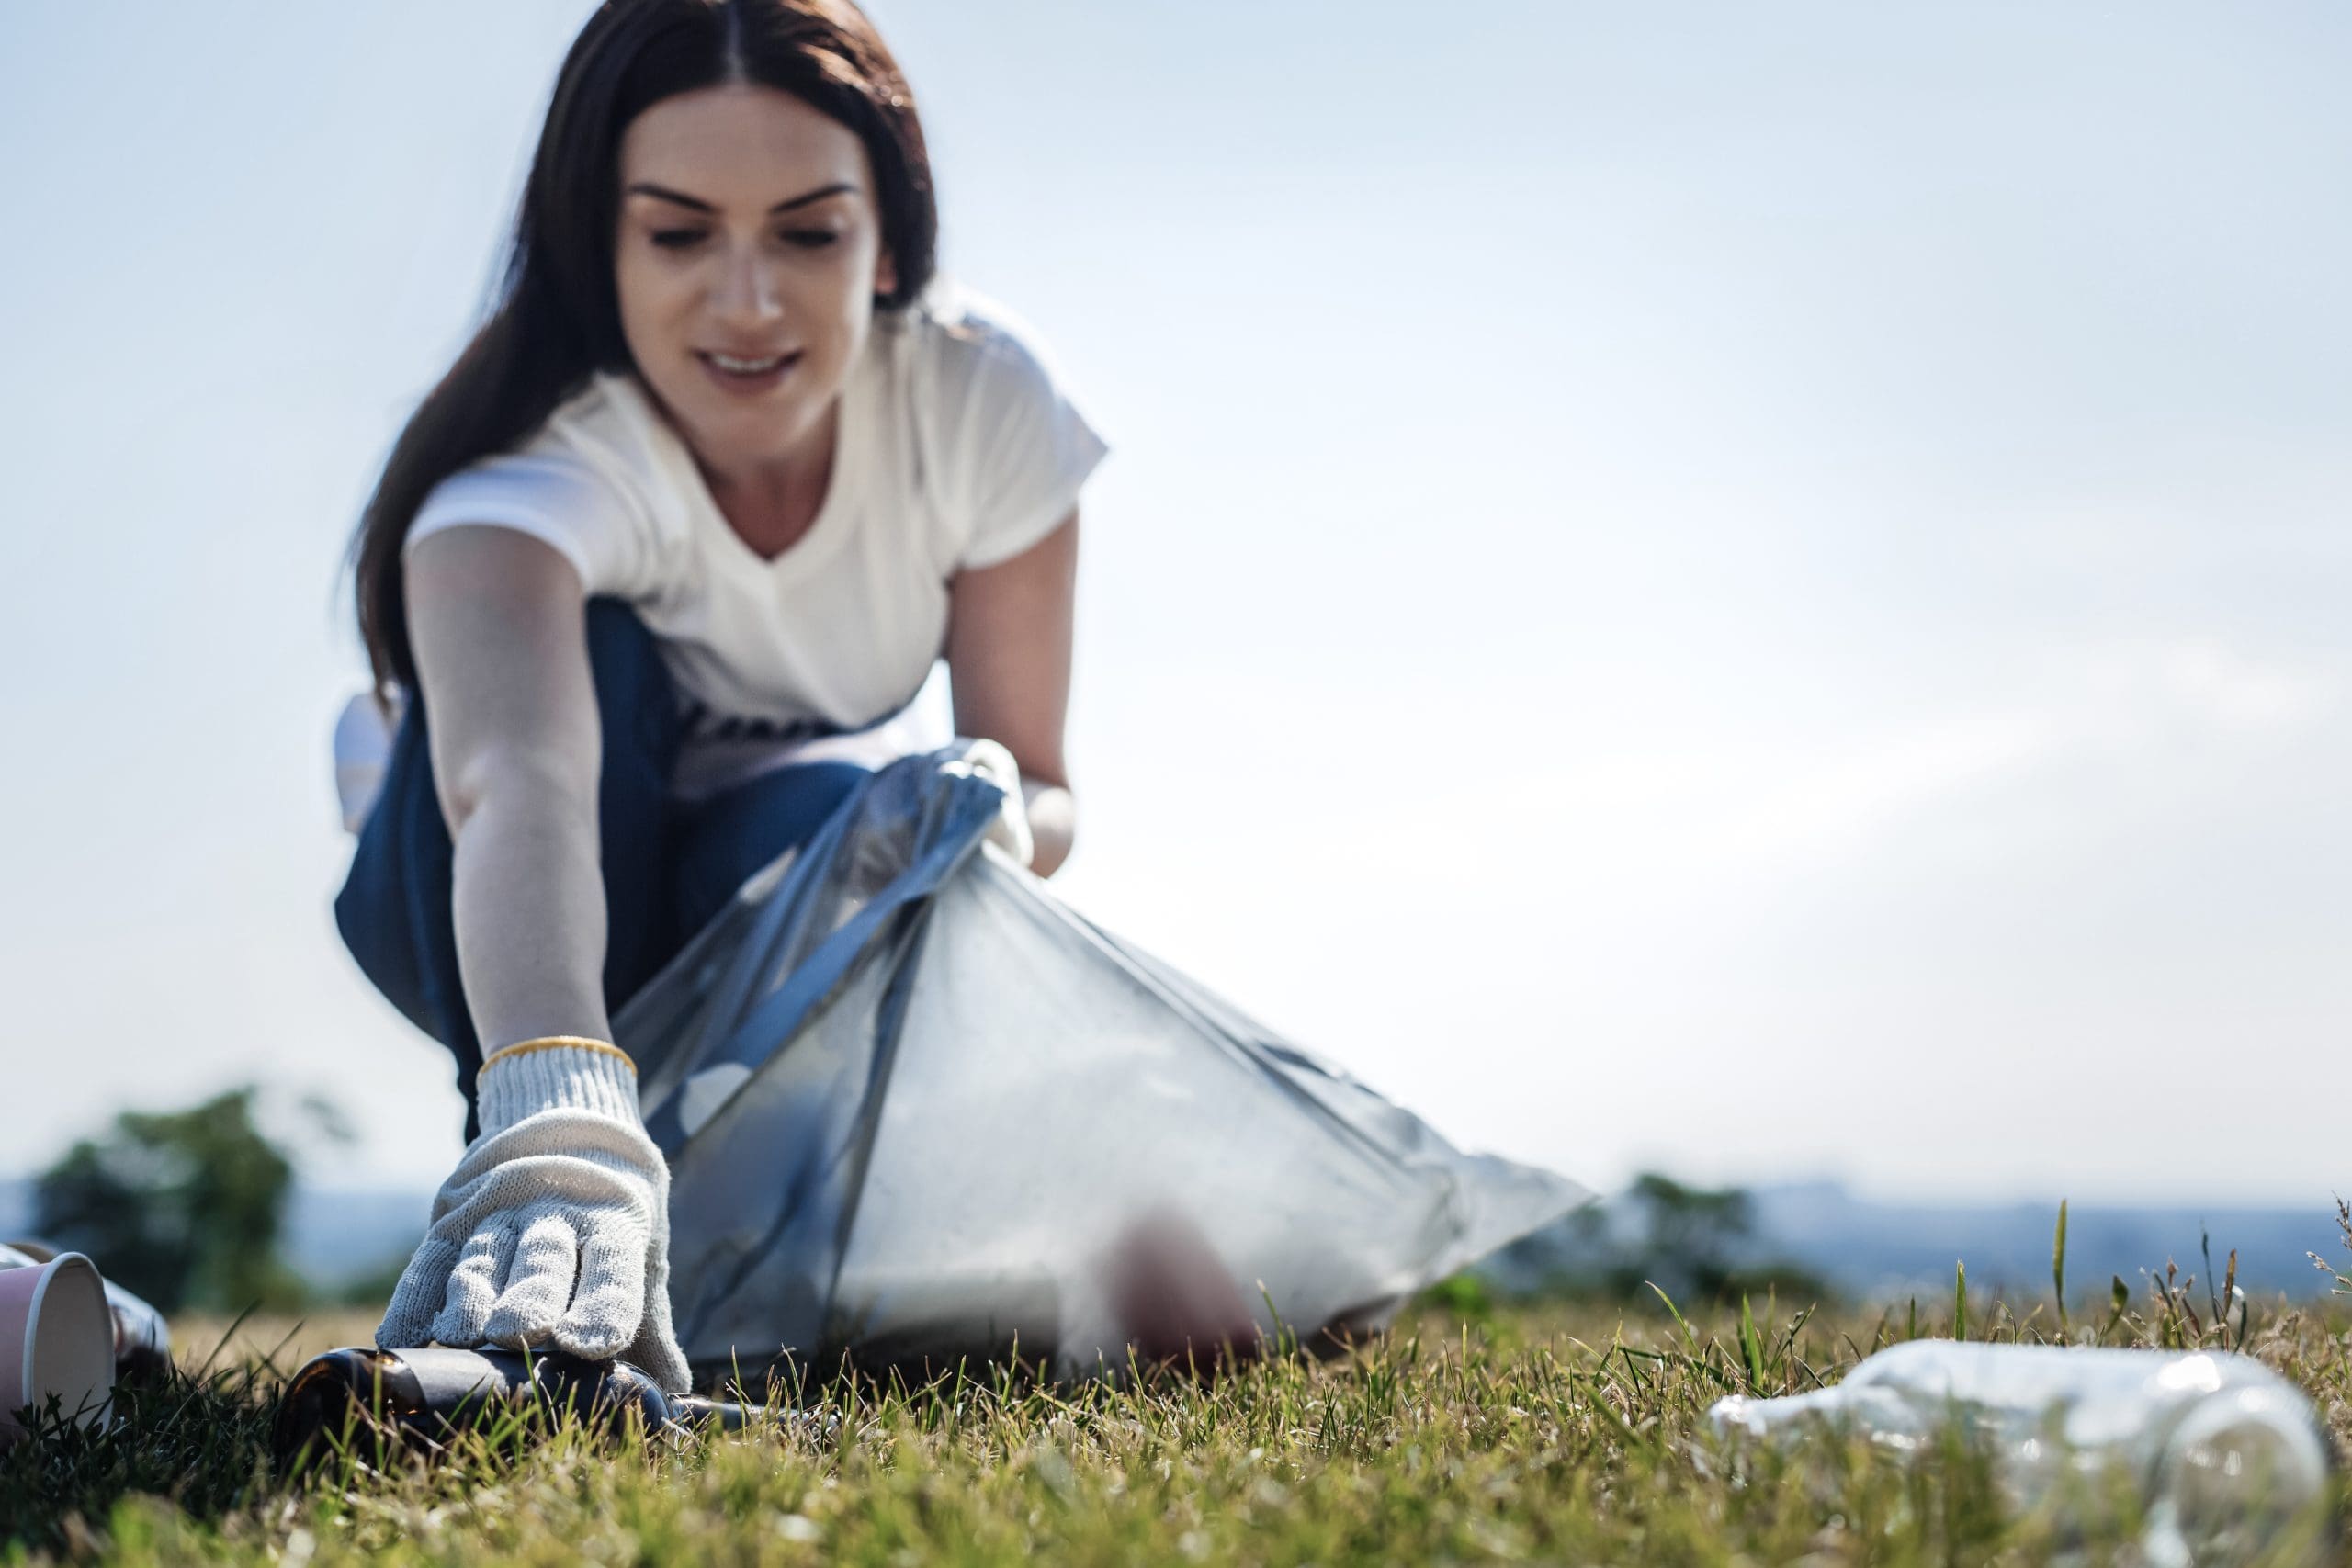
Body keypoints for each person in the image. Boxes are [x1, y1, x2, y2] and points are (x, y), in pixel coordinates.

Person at [333, 0, 1104, 1392]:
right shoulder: (530, 478)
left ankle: (759, 1266)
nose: (747, 302)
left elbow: (1043, 784)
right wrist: (555, 1111)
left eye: (808, 232)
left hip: (746, 889)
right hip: (479, 897)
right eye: (679, 233)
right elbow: (523, 782)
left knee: (843, 809)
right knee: (612, 658)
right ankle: (540, 1217)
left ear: (888, 243)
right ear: (600, 246)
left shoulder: (983, 404)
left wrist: (971, 822)